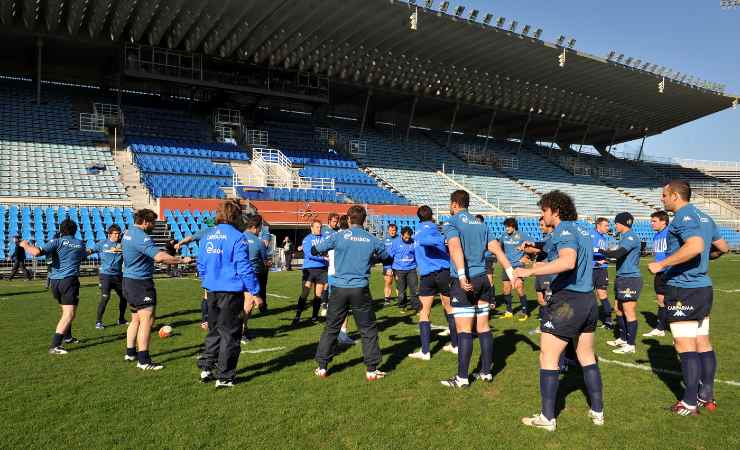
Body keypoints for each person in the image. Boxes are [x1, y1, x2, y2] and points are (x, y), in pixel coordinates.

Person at [514, 190, 604, 431]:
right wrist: (536, 247)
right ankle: (597, 411)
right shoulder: (582, 228)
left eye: (544, 210)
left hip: (567, 302)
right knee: (586, 356)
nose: (542, 215)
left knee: (548, 357)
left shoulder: (564, 230)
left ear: (555, 209)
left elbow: (567, 261)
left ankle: (547, 418)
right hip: (587, 300)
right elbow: (557, 248)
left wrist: (529, 271)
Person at [647, 180, 728, 415]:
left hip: (683, 289)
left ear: (674, 196)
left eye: (664, 195)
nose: (661, 199)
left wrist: (662, 264)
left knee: (685, 345)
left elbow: (694, 246)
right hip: (703, 288)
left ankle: (690, 402)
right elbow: (722, 248)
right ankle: (706, 395)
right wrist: (704, 259)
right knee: (703, 342)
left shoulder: (683, 217)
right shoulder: (705, 217)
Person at [440, 190, 519, 388]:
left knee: (464, 330)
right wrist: (511, 272)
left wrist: (460, 273)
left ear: (454, 204)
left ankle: (462, 378)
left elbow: (455, 248)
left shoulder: (451, 222)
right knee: (483, 327)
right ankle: (486, 372)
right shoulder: (481, 224)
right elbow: (497, 250)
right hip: (484, 280)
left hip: (465, 280)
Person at [312, 205, 391, 381]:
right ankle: (371, 370)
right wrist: (374, 258)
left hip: (339, 288)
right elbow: (387, 257)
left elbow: (315, 249)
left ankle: (322, 367)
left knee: (331, 327)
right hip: (360, 288)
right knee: (368, 329)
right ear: (364, 220)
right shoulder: (371, 238)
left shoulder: (339, 235)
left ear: (348, 219)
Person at [197, 201, 260, 388]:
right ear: (235, 216)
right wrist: (255, 291)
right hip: (230, 292)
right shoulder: (237, 237)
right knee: (230, 335)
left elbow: (201, 264)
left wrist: (207, 282)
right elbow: (244, 268)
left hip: (212, 291)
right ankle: (224, 377)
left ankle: (206, 368)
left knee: (214, 331)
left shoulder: (207, 236)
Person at [122, 209, 191, 371]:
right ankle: (144, 360)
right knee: (147, 320)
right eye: (152, 222)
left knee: (135, 319)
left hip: (129, 281)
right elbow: (159, 257)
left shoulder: (128, 232)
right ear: (145, 222)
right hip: (140, 283)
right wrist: (181, 259)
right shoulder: (141, 236)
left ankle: (130, 352)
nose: (153, 226)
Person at [20, 220, 87, 354]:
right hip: (69, 281)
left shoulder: (57, 241)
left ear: (61, 230)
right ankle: (55, 346)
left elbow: (37, 252)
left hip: (55, 281)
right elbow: (83, 256)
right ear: (75, 230)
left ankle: (67, 338)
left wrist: (25, 245)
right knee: (69, 313)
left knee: (65, 311)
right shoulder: (80, 244)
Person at [408, 205, 457, 360]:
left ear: (419, 217)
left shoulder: (421, 230)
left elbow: (425, 240)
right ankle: (455, 345)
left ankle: (425, 351)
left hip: (429, 276)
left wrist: (442, 240)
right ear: (431, 216)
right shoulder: (433, 227)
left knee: (424, 312)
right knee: (449, 308)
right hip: (442, 273)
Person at [601, 213, 642, 354]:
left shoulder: (630, 237)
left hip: (630, 278)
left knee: (628, 311)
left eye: (616, 223)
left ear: (623, 223)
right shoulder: (624, 237)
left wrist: (600, 252)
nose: (615, 225)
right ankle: (623, 339)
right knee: (618, 309)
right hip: (622, 277)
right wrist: (606, 257)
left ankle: (630, 345)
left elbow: (618, 254)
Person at [176, 218, 215, 330]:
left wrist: (180, 243)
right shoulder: (212, 232)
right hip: (210, 267)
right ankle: (206, 320)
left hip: (206, 266)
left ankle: (207, 320)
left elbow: (190, 238)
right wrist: (180, 243)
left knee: (209, 293)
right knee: (211, 294)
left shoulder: (205, 231)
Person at [89, 225, 127, 329]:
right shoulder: (102, 244)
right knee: (105, 297)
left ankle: (121, 319)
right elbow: (90, 251)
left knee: (124, 298)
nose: (117, 235)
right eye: (115, 233)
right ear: (109, 234)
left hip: (118, 276)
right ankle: (98, 322)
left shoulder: (123, 244)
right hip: (105, 275)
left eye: (118, 233)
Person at [292, 219, 328, 325]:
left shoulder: (325, 238)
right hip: (309, 270)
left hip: (322, 270)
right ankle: (297, 316)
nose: (319, 229)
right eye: (317, 227)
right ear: (311, 228)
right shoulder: (307, 239)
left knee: (318, 295)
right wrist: (324, 258)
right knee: (305, 293)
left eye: (320, 227)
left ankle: (314, 317)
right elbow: (309, 254)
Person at [241, 214, 269, 344]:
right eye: (259, 228)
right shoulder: (259, 242)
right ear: (254, 227)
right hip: (251, 275)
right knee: (249, 303)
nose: (259, 231)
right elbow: (264, 261)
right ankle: (242, 330)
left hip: (236, 275)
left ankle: (240, 328)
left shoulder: (238, 237)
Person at [643, 211, 670, 337]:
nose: (651, 223)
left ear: (663, 221)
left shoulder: (671, 233)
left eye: (654, 221)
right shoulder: (656, 236)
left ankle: (680, 328)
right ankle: (660, 328)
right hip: (659, 272)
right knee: (660, 300)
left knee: (675, 301)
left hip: (671, 272)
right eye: (651, 221)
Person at [498, 217, 531, 320]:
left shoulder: (522, 235)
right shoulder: (503, 236)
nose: (506, 228)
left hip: (518, 265)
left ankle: (525, 311)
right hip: (507, 265)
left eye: (508, 226)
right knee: (506, 288)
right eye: (506, 227)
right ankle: (509, 311)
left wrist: (526, 257)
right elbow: (500, 248)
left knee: (519, 287)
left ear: (513, 226)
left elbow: (531, 247)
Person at [591, 218, 614, 329]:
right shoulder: (592, 235)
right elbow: (589, 249)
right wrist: (597, 260)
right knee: (588, 295)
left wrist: (607, 257)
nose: (607, 228)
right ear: (598, 225)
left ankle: (608, 320)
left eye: (608, 226)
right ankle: (589, 320)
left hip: (602, 269)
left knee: (602, 295)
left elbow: (602, 252)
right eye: (605, 225)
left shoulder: (604, 238)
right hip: (591, 269)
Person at [391, 226, 419, 311]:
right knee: (402, 291)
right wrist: (390, 269)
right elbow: (390, 256)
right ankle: (402, 305)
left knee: (414, 289)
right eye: (405, 237)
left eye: (409, 237)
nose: (407, 238)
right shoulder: (395, 243)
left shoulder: (414, 242)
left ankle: (416, 306)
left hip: (412, 269)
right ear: (402, 235)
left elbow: (417, 255)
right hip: (399, 270)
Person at [382, 224, 399, 306]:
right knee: (388, 282)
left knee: (399, 283)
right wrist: (388, 267)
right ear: (388, 231)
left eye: (394, 230)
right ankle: (387, 299)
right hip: (387, 265)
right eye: (391, 230)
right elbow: (382, 253)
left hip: (398, 265)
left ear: (396, 231)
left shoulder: (400, 239)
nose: (393, 232)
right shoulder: (385, 240)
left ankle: (400, 298)